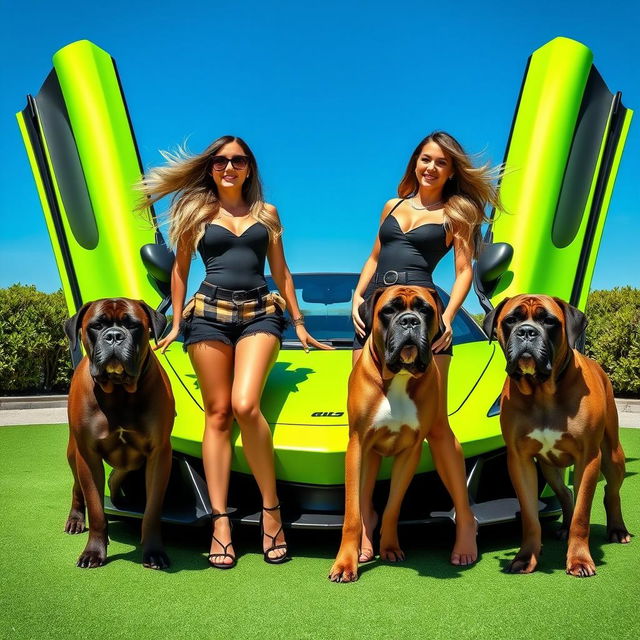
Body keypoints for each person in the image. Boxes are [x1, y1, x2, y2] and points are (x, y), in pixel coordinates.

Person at [137, 135, 330, 568]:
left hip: (261, 311)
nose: (230, 167)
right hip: (207, 313)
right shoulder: (194, 214)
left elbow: (280, 270)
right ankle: (221, 521)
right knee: (218, 413)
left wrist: (298, 322)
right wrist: (173, 323)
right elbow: (181, 271)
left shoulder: (268, 214)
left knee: (246, 405)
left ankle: (271, 510)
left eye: (239, 160)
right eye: (222, 160)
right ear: (211, 167)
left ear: (249, 168)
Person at [351, 131, 503, 566]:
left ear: (452, 169)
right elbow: (375, 257)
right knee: (362, 430)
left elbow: (461, 273)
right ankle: (365, 522)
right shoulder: (392, 207)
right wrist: (357, 298)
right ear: (414, 163)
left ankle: (465, 520)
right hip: (376, 317)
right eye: (424, 159)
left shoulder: (459, 211)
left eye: (439, 162)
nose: (430, 167)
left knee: (436, 428)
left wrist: (448, 317)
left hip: (425, 316)